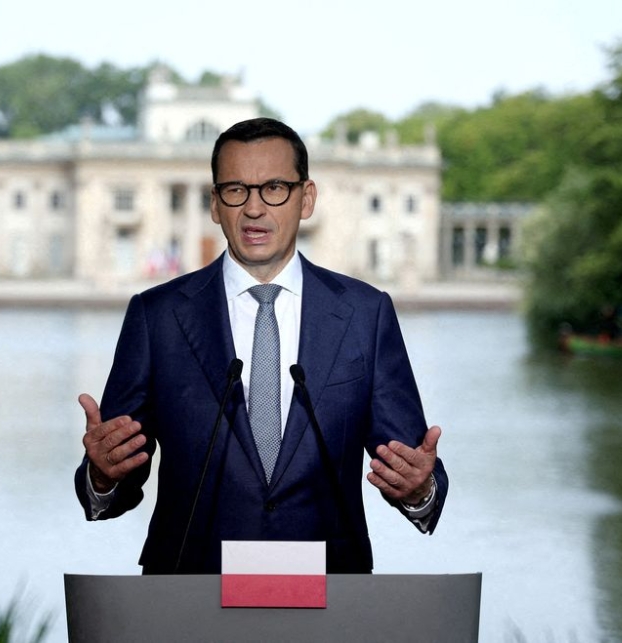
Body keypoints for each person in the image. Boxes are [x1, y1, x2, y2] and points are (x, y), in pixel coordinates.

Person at [74, 117, 446, 574]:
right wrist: (102, 476)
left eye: (274, 188)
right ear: (215, 204)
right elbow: (116, 477)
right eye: (236, 190)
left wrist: (419, 490)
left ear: (306, 198)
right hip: (188, 590)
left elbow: (410, 463)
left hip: (328, 591)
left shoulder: (366, 314)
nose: (254, 208)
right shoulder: (157, 316)